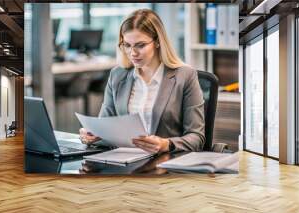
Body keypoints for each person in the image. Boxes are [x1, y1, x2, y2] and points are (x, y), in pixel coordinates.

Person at [79, 9, 205, 153]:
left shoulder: (185, 76)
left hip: (165, 164)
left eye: (140, 45)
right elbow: (105, 127)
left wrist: (167, 144)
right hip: (123, 161)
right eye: (127, 45)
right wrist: (93, 135)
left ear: (157, 41)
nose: (133, 53)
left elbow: (197, 138)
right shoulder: (117, 75)